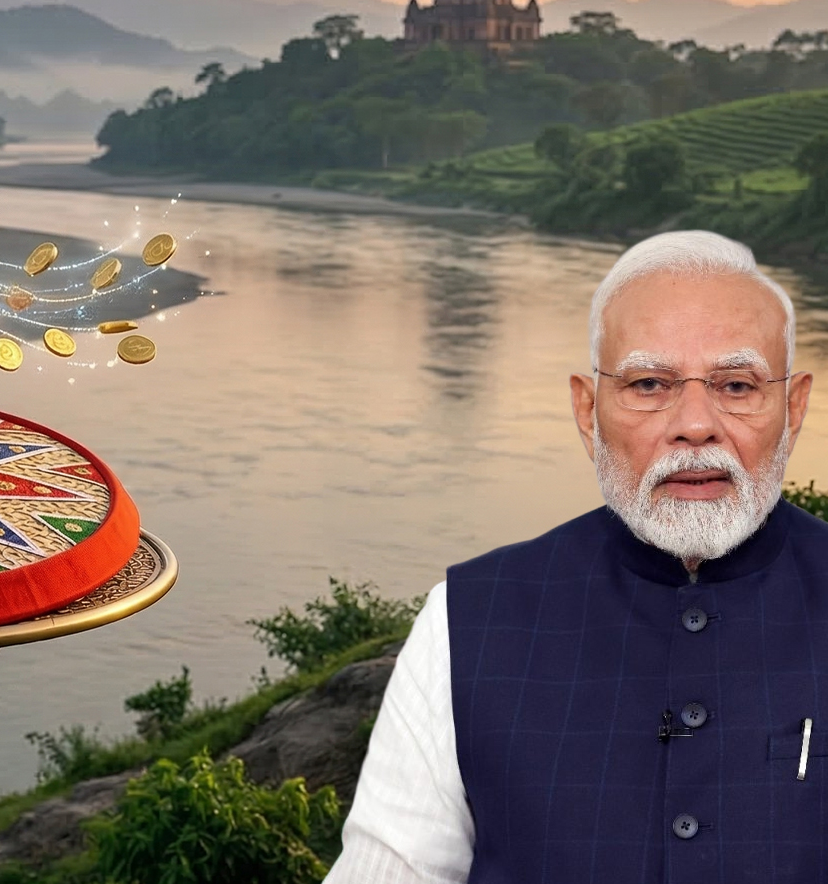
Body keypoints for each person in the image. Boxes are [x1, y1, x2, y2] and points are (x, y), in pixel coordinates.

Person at [327, 231, 819, 883]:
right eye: (650, 384)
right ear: (588, 412)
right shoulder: (467, 621)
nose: (695, 424)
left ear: (792, 407)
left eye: (736, 385)